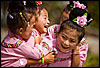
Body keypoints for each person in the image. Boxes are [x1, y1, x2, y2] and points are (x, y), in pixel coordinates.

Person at [1, 1, 55, 67]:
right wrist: (38, 43)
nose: (33, 30)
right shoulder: (19, 45)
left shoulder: (10, 37)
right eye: (32, 26)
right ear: (21, 30)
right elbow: (38, 54)